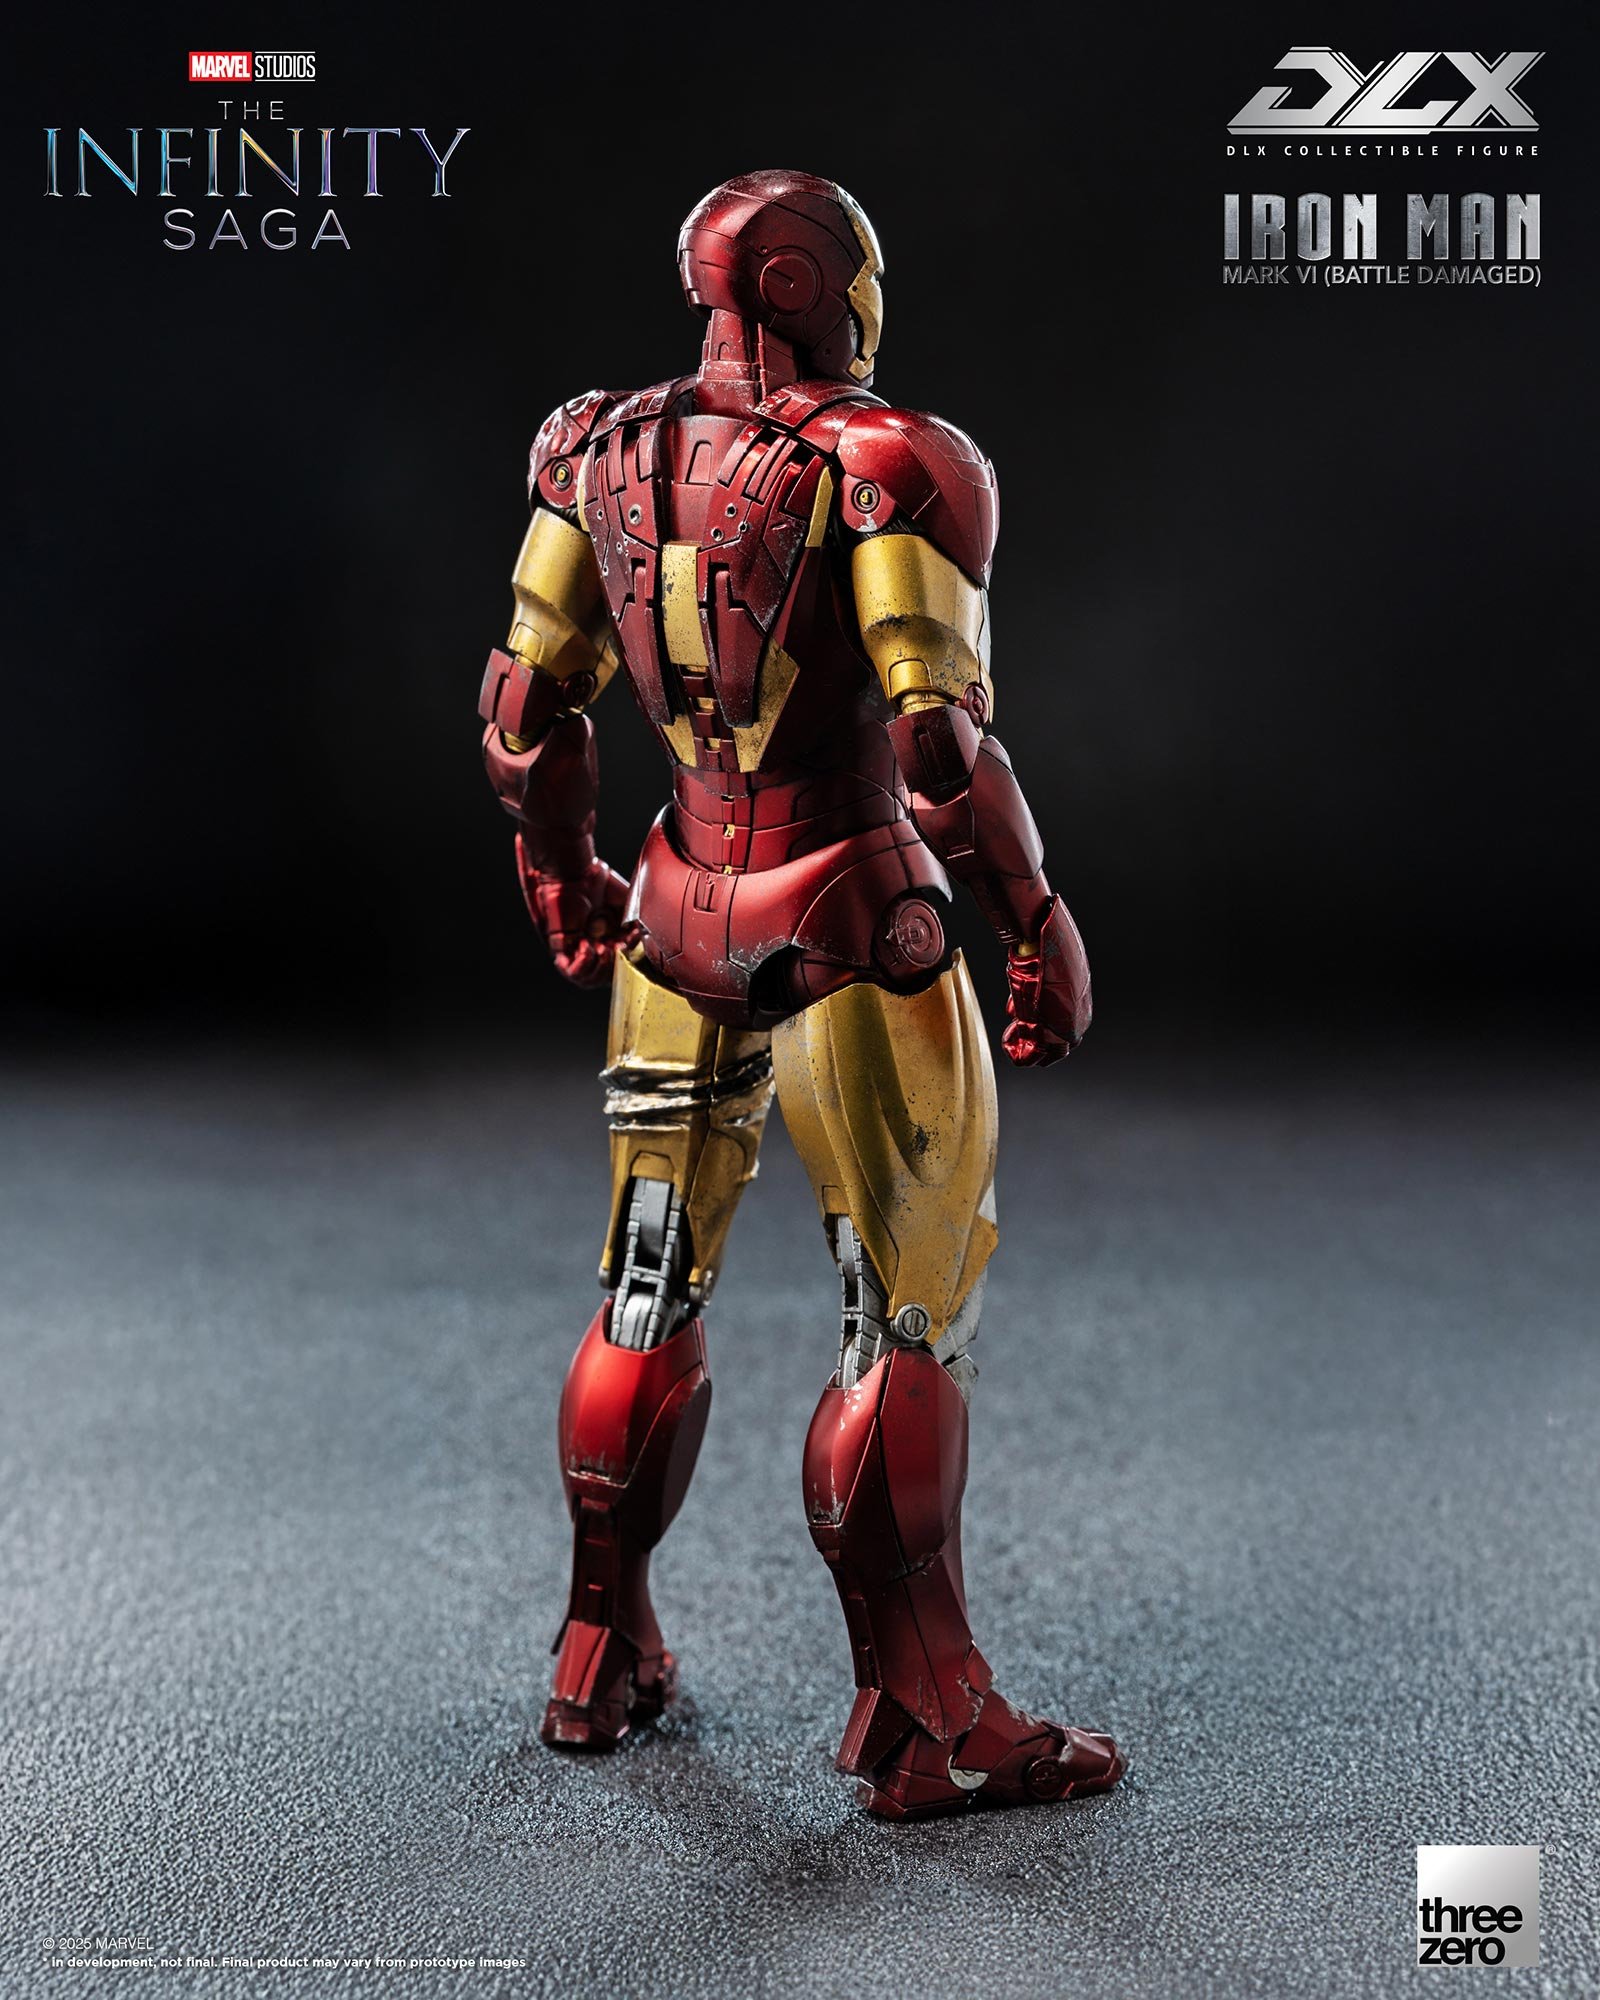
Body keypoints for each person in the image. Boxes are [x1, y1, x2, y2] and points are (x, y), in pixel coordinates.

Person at [476, 170, 1124, 1819]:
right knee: (899, 1313)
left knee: (643, 1286)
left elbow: (525, 708)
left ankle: (596, 1651)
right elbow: (937, 743)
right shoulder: (890, 464)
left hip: (672, 914)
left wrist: (563, 873)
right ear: (819, 286)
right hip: (851, 916)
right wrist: (1036, 915)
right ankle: (932, 1718)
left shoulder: (597, 450)